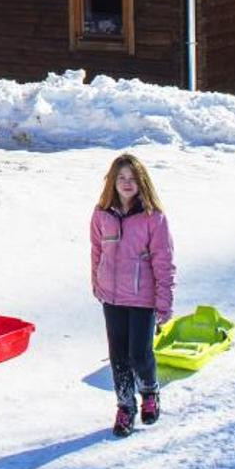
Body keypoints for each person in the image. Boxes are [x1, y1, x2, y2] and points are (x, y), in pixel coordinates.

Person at [90, 153, 175, 437]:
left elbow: (164, 262)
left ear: (142, 182)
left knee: (139, 354)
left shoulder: (154, 218)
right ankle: (125, 406)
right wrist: (97, 283)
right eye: (121, 178)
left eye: (132, 179)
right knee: (118, 356)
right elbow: (96, 251)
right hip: (112, 298)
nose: (127, 184)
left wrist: (164, 303)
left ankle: (149, 391)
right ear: (112, 182)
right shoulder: (102, 214)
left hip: (142, 298)